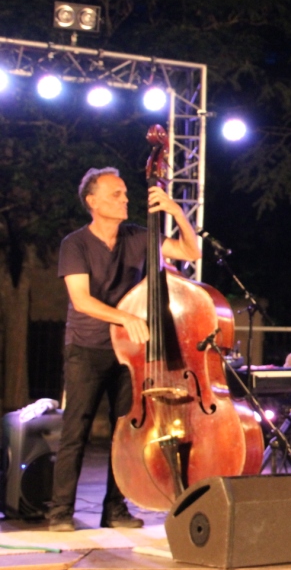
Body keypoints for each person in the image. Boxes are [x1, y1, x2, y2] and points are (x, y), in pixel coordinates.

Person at [49, 167, 201, 531]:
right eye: (116, 194)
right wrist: (123, 317)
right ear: (93, 202)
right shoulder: (75, 244)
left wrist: (176, 211)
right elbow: (82, 300)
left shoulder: (137, 236)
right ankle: (59, 512)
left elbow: (190, 252)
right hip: (87, 348)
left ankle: (114, 510)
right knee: (77, 431)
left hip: (130, 354)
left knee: (125, 434)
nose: (125, 199)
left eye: (125, 193)